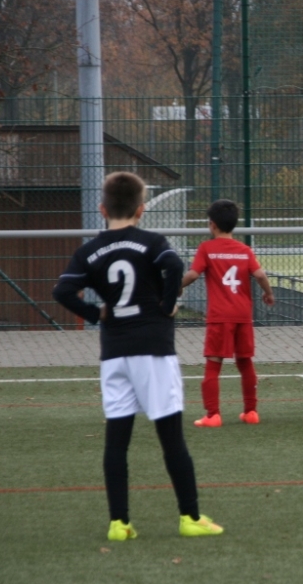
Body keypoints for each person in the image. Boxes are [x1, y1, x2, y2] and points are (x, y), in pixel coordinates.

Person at [52, 171, 223, 540]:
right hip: (153, 350)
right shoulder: (151, 241)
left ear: (102, 209)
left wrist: (96, 314)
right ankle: (190, 517)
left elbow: (62, 291)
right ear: (141, 209)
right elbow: (173, 265)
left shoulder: (88, 251)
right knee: (171, 438)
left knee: (117, 441)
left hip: (114, 354)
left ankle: (119, 523)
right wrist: (168, 304)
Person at [181, 199, 275, 428]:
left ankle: (213, 415)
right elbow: (260, 275)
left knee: (213, 364)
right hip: (243, 315)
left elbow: (193, 275)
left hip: (220, 316)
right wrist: (268, 293)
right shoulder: (244, 250)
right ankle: (251, 412)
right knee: (245, 362)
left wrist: (175, 287)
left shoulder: (207, 248)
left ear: (212, 224)